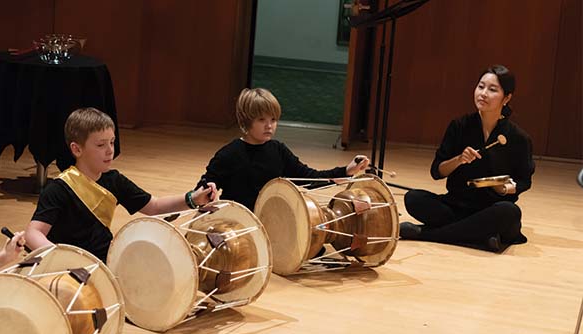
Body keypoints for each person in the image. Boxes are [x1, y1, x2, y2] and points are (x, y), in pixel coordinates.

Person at [25, 107, 217, 262]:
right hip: (69, 269)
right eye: (101, 145)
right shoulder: (58, 189)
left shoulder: (114, 180)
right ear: (77, 149)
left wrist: (193, 198)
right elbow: (33, 233)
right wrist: (62, 257)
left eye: (112, 142)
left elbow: (154, 206)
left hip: (104, 261)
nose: (110, 151)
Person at [400, 65, 535, 252]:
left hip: (491, 209)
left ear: (507, 98)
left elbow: (524, 180)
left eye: (492, 89)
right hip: (456, 205)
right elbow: (437, 171)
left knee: (509, 212)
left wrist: (506, 189)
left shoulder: (519, 138)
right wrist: (459, 159)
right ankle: (482, 237)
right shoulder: (459, 126)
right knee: (413, 198)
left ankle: (427, 234)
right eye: (481, 87)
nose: (483, 93)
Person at [196, 88, 369, 210]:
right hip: (239, 223)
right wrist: (208, 190)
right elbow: (204, 186)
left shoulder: (277, 150)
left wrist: (346, 170)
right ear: (246, 121)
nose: (269, 126)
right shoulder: (230, 153)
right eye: (262, 120)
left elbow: (308, 178)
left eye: (273, 119)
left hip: (271, 219)